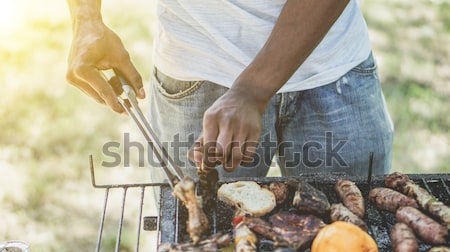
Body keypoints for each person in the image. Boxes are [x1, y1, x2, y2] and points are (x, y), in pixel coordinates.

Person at [66, 0, 394, 182]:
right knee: (196, 251)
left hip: (333, 69)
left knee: (354, 248)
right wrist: (86, 19)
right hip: (197, 73)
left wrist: (253, 90)